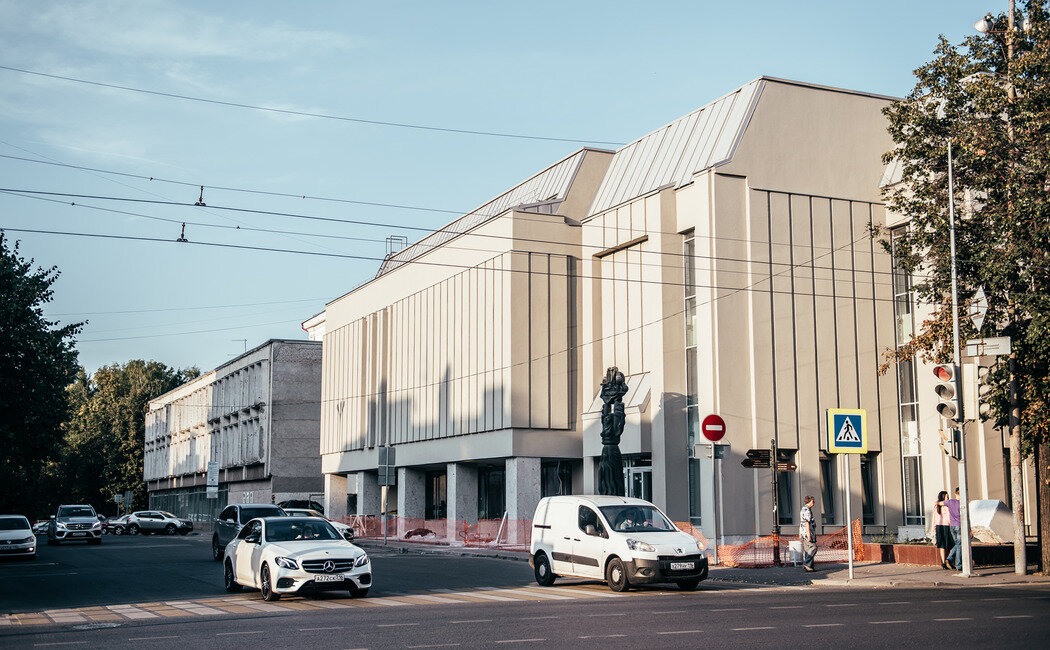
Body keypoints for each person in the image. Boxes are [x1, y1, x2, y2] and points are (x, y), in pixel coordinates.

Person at [933, 490, 952, 569]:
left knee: (942, 546)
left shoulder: (936, 506)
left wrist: (933, 528)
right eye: (946, 496)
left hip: (938, 526)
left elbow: (934, 518)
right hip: (946, 526)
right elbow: (949, 517)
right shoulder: (947, 507)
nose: (947, 498)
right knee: (950, 544)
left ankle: (943, 562)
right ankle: (949, 561)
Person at [945, 487, 962, 570]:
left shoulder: (950, 502)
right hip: (959, 526)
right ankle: (958, 565)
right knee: (959, 545)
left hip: (952, 526)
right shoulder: (962, 504)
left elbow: (939, 503)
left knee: (958, 544)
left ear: (955, 493)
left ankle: (949, 559)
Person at [800, 495, 817, 572]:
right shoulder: (807, 510)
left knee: (807, 549)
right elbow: (807, 522)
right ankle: (807, 564)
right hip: (808, 532)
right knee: (813, 547)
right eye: (813, 501)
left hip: (804, 532)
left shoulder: (804, 509)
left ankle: (810, 567)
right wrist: (809, 535)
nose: (814, 503)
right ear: (809, 501)